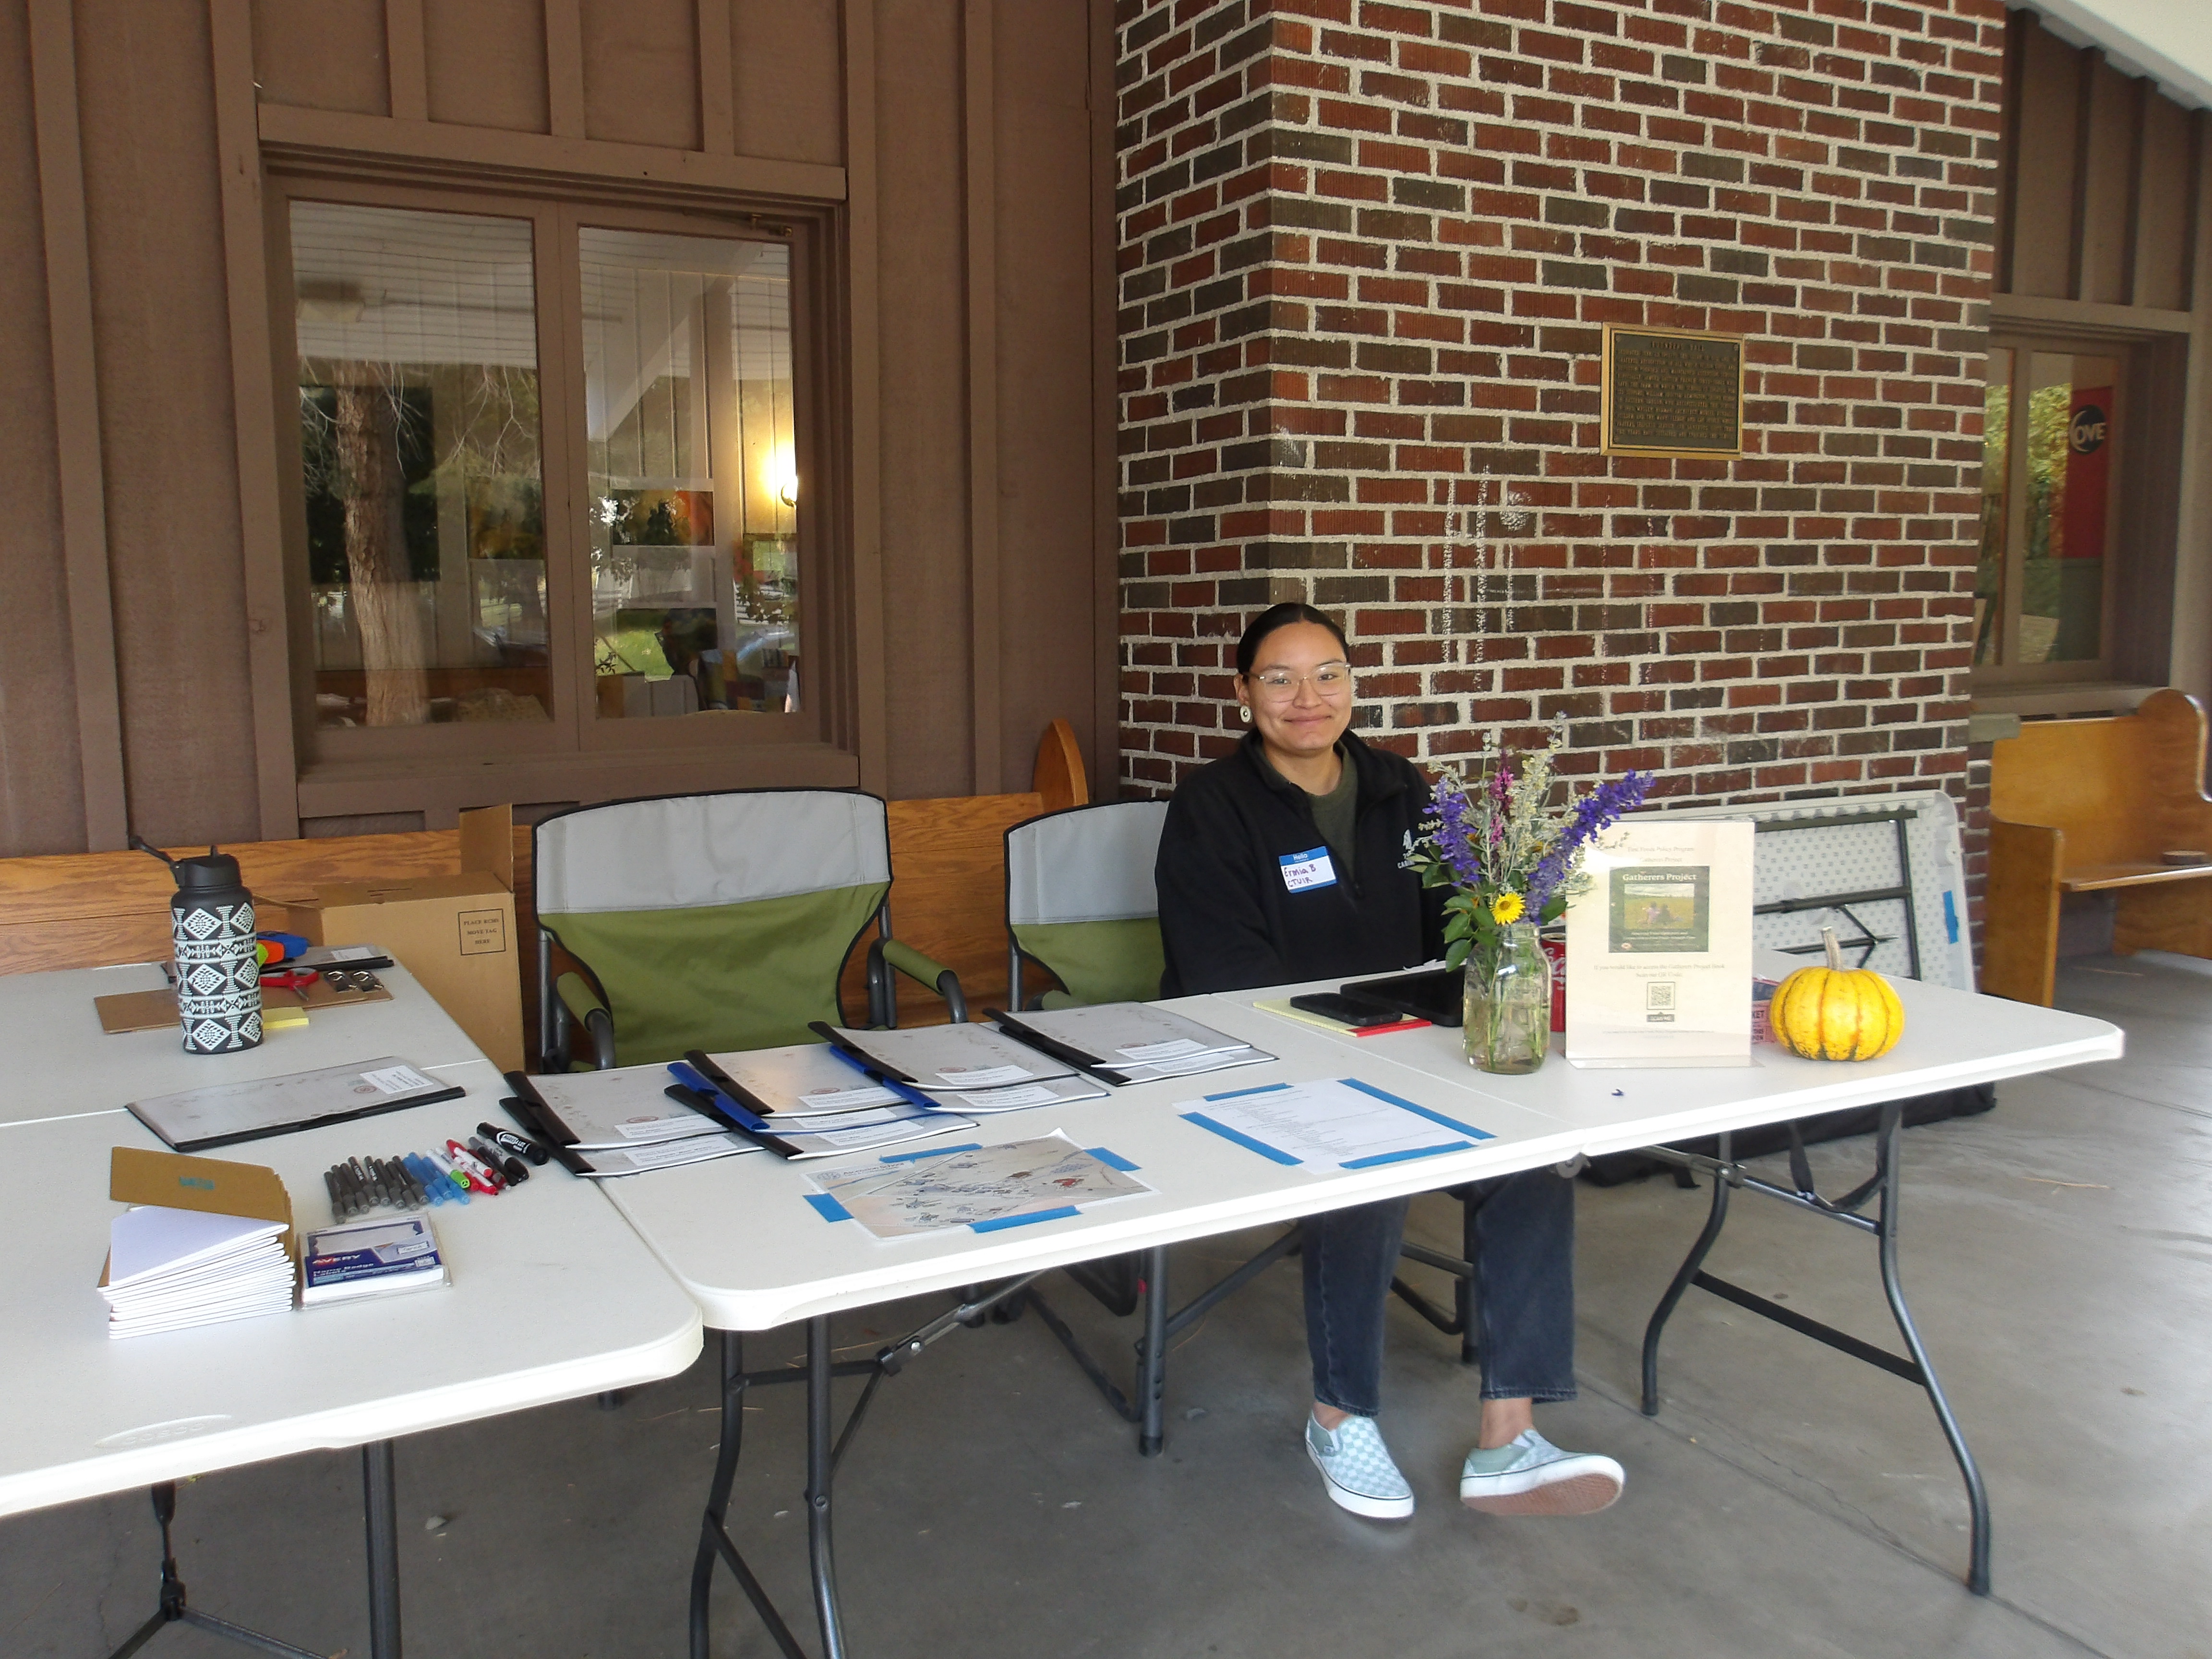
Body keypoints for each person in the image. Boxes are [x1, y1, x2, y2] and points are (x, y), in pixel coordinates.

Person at [1154, 602, 1624, 1522]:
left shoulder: (1403, 789)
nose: (1307, 698)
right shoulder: (1213, 807)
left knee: (1532, 1159)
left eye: (1327, 674)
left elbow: (1455, 933)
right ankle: (1339, 1415)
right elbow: (1222, 975)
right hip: (1272, 1055)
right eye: (1279, 678)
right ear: (1243, 691)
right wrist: (1358, 1043)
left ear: (1353, 683)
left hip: (1407, 1043)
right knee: (1368, 1164)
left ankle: (1510, 1435)